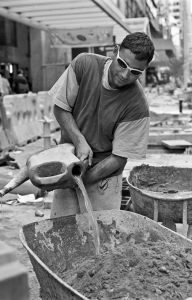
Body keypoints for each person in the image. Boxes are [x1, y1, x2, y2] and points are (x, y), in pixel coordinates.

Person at [48, 32, 155, 218]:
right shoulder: (84, 65)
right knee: (61, 232)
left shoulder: (137, 105)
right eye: (122, 64)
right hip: (68, 163)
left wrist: (83, 180)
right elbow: (60, 108)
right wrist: (79, 140)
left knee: (101, 239)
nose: (125, 74)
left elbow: (119, 158)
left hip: (104, 175)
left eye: (135, 72)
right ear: (115, 51)